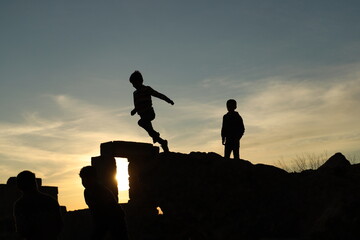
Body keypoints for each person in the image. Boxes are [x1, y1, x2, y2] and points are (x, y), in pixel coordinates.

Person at [129, 70, 174, 152]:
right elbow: (137, 104)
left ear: (140, 81)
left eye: (134, 83)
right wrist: (134, 110)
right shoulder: (135, 93)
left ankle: (156, 136)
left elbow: (158, 95)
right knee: (151, 133)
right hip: (142, 115)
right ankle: (163, 142)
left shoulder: (147, 89)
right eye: (132, 84)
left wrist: (168, 100)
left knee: (141, 123)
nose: (133, 86)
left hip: (149, 113)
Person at [79, 166, 128, 240]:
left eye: (87, 179)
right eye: (83, 179)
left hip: (115, 220)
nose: (85, 182)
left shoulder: (101, 191)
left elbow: (109, 212)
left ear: (94, 178)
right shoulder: (87, 192)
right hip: (102, 222)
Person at [13, 170, 63, 240]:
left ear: (19, 186)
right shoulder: (50, 200)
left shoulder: (20, 205)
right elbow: (59, 225)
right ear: (35, 183)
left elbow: (21, 230)